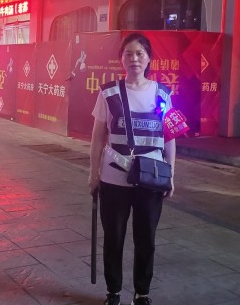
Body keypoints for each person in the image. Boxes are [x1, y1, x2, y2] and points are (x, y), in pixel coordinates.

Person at [88, 33, 176, 305]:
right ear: (121, 59)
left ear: (148, 58)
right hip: (114, 178)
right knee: (113, 238)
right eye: (128, 54)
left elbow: (169, 138)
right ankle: (113, 292)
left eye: (140, 54)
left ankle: (142, 293)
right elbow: (97, 138)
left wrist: (171, 174)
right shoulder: (108, 92)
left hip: (151, 179)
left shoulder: (163, 94)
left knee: (146, 238)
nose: (134, 59)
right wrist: (93, 174)